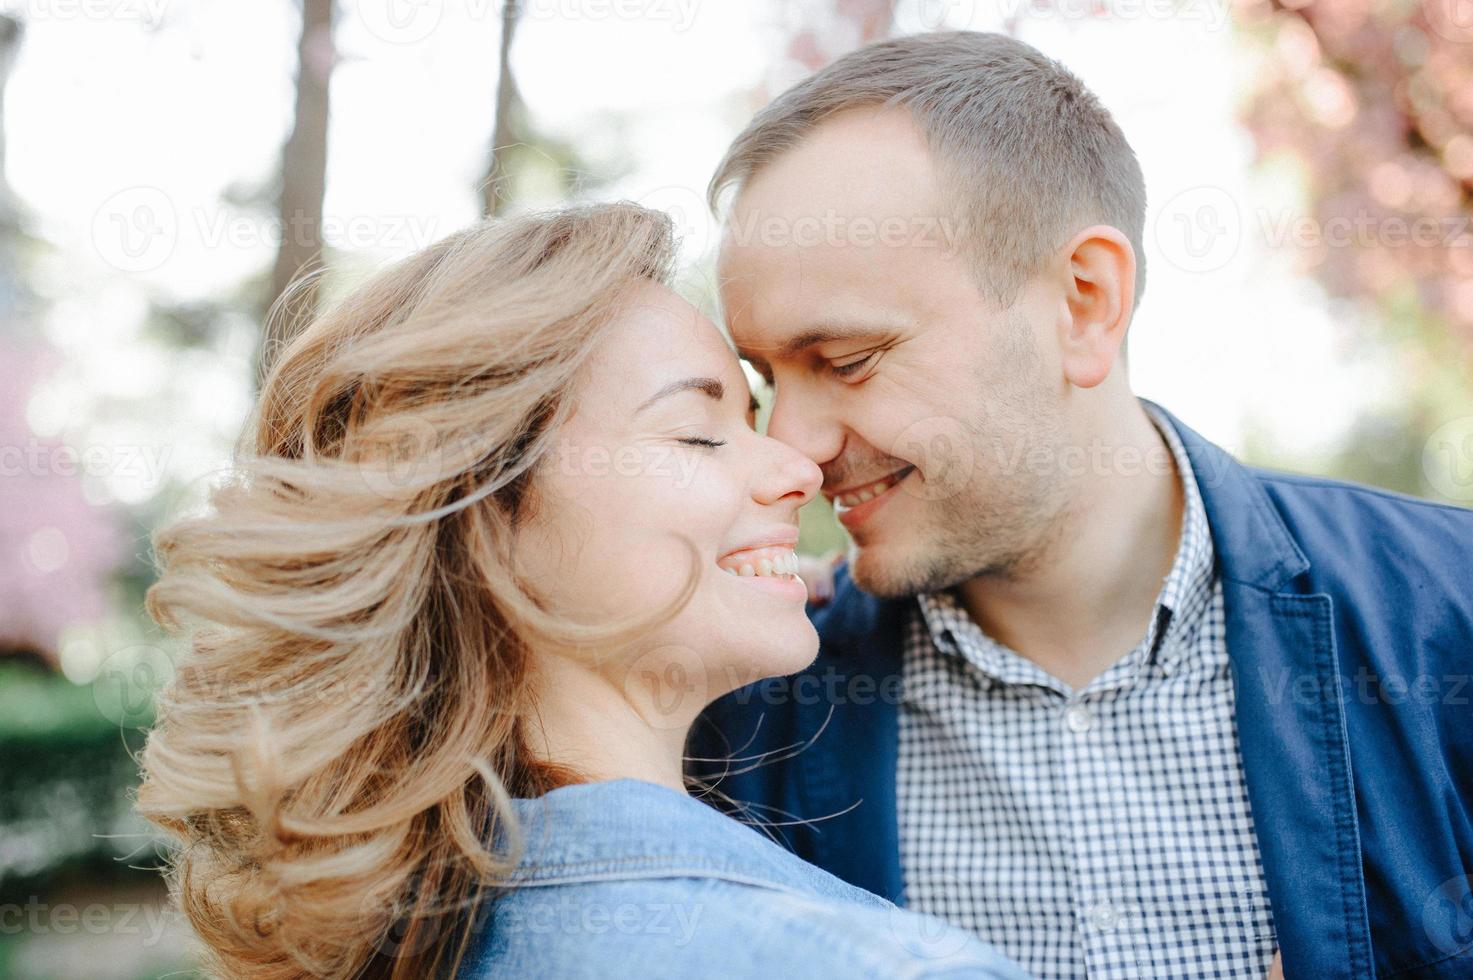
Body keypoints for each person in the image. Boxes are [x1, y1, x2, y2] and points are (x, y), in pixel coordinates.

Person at [691, 30, 1473, 980]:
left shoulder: (1446, 615)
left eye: (845, 361)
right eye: (767, 379)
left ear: (1084, 302)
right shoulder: (744, 719)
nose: (791, 449)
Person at [136, 202, 1031, 979]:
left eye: (747, 421)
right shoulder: (883, 969)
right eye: (695, 433)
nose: (801, 465)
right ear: (481, 524)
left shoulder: (373, 940)